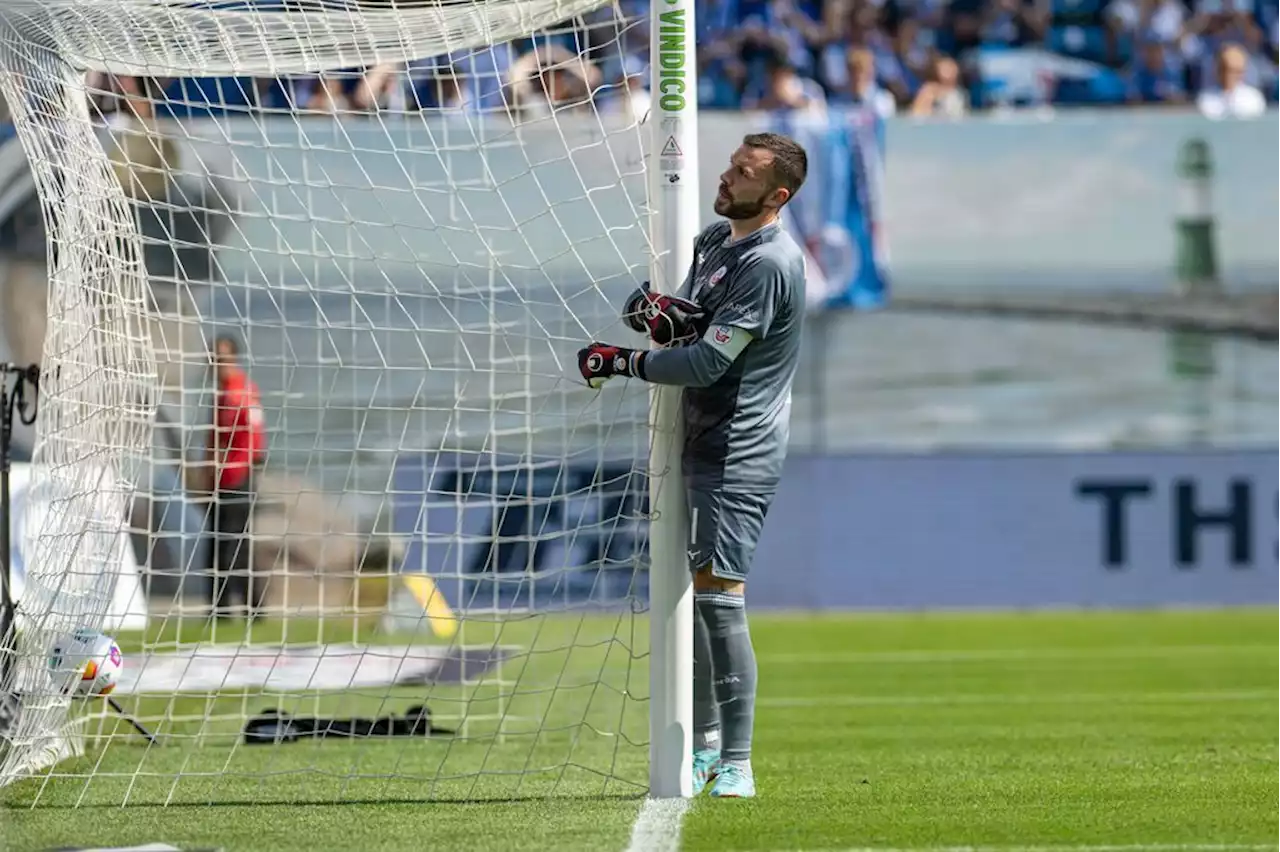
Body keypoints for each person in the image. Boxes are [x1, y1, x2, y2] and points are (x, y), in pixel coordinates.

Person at [576, 132, 809, 799]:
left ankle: (737, 760)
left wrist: (623, 361)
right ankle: (705, 746)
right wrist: (659, 317)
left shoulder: (770, 262)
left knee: (718, 596)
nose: (729, 176)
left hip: (738, 447)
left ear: (777, 196)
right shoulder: (715, 241)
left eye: (746, 173)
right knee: (697, 595)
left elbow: (709, 361)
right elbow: (690, 329)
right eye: (733, 164)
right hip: (695, 435)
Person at [208, 336, 267, 618]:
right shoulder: (219, 393)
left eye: (223, 357)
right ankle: (221, 610)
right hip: (218, 479)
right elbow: (213, 438)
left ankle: (251, 608)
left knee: (236, 545)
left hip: (238, 478)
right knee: (218, 545)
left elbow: (256, 434)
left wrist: (248, 468)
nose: (218, 364)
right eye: (214, 358)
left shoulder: (243, 391)